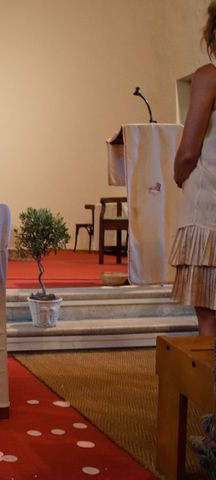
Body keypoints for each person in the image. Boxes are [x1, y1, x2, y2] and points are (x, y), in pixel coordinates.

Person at [169, 2, 216, 336]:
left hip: (210, 214)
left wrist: (178, 174)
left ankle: (208, 388)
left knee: (210, 316)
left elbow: (188, 152)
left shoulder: (210, 76)